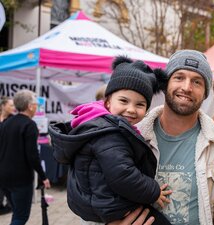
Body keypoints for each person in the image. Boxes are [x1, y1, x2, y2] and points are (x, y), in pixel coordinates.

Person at [49, 57, 172, 225]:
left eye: (140, 104)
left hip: (100, 202)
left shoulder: (104, 126)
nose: (131, 109)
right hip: (110, 206)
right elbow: (123, 175)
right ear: (107, 102)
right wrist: (154, 191)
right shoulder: (110, 133)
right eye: (124, 101)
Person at [137, 49, 214, 224]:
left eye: (197, 82)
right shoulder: (134, 136)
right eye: (179, 77)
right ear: (166, 83)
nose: (186, 87)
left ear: (205, 93)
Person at [0, 90, 51, 225]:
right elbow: (32, 155)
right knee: (21, 216)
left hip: (4, 176)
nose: (36, 106)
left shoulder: (6, 123)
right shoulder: (29, 125)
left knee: (16, 212)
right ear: (29, 106)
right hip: (20, 179)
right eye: (35, 103)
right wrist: (43, 176)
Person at [0, 96, 15, 215]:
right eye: (10, 105)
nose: (13, 107)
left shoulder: (13, 120)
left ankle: (4, 204)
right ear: (3, 106)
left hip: (6, 156)